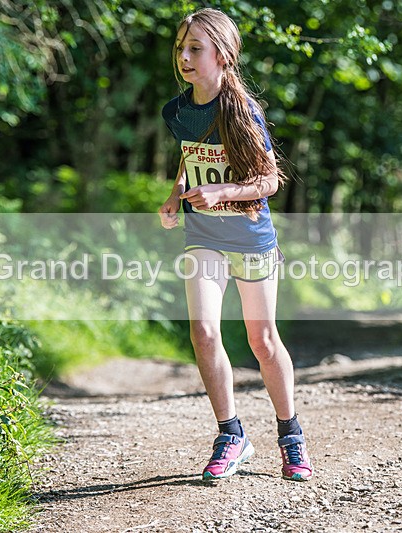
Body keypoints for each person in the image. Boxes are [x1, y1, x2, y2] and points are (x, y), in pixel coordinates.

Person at [158, 7, 313, 482]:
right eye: (180, 47)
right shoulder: (177, 111)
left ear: (223, 55)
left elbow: (269, 179)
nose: (184, 57)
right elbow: (190, 156)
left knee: (262, 341)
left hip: (249, 237)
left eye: (195, 48)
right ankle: (231, 435)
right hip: (202, 234)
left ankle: (291, 435)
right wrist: (174, 193)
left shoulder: (242, 111)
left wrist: (222, 191)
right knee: (203, 333)